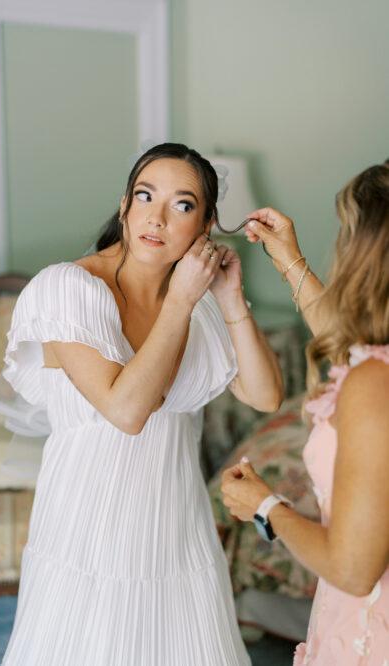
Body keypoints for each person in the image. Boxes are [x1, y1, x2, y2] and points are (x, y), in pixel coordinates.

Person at [0, 143, 284, 665]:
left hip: (176, 530)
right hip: (88, 532)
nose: (157, 216)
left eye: (182, 205)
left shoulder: (198, 299)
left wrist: (231, 297)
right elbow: (126, 411)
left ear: (206, 227)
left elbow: (265, 395)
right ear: (124, 204)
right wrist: (181, 302)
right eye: (145, 196)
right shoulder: (68, 290)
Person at [220, 160, 389, 665]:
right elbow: (349, 347)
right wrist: (289, 260)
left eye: (348, 233)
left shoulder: (373, 385)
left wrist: (266, 507)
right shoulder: (375, 365)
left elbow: (355, 570)